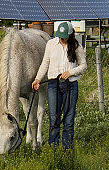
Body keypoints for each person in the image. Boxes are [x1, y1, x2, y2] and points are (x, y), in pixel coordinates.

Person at [32, 21, 86, 149]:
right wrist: (37, 79)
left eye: (64, 36)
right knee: (54, 118)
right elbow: (45, 63)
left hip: (70, 86)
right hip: (53, 85)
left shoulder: (77, 47)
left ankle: (67, 150)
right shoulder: (51, 44)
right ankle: (53, 149)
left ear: (70, 34)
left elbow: (83, 66)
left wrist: (70, 72)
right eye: (60, 35)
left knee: (68, 119)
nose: (61, 38)